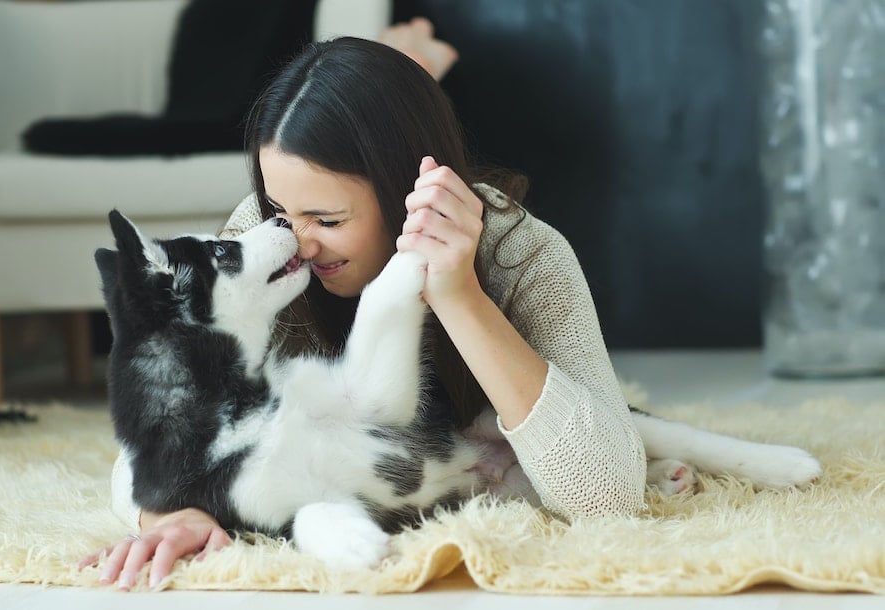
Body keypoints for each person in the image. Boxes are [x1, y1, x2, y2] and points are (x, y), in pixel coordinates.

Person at [84, 23, 646, 592]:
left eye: (328, 221)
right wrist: (173, 513)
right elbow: (154, 440)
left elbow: (608, 493)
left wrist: (456, 292)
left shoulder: (522, 254)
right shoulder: (264, 241)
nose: (296, 241)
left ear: (405, 194)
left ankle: (415, 58)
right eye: (277, 205)